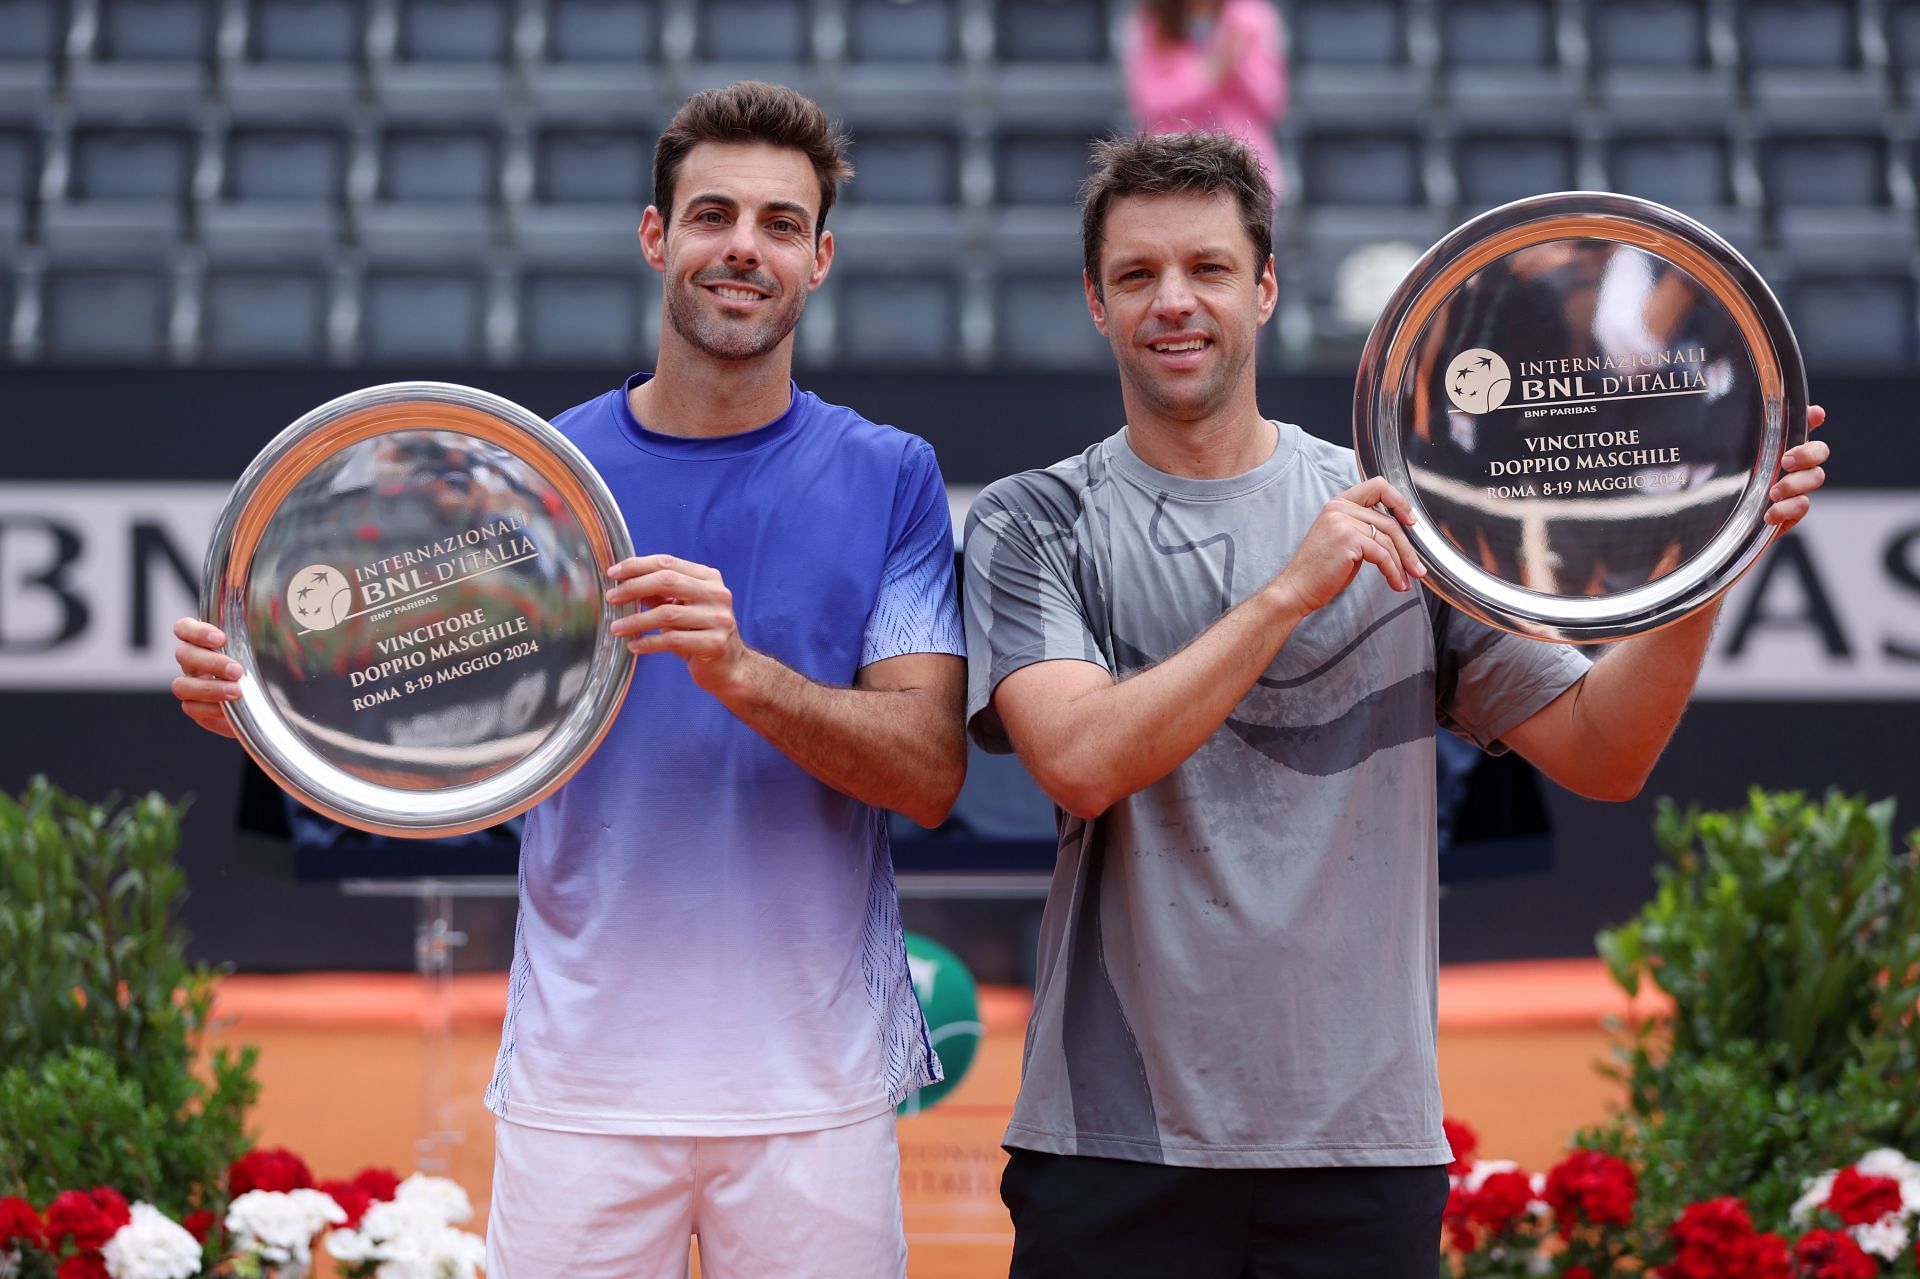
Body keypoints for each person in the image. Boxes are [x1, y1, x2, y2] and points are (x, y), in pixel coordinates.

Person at [959, 130, 1829, 1277]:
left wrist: (1711, 556)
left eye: (1209, 269)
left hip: (1360, 1153)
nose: (1175, 301)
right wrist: (1287, 594)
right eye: (1137, 275)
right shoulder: (1034, 522)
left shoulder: (1412, 516)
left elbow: (1601, 750)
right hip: (1115, 1148)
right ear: (1095, 300)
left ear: (1264, 288)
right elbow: (1076, 761)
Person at [171, 81, 968, 1279]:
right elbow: (417, 738)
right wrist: (268, 708)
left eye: (779, 223)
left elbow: (929, 772)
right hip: (581, 1088)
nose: (742, 246)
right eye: (711, 215)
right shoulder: (530, 483)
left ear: (821, 258)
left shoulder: (894, 477)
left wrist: (741, 672)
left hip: (819, 1093)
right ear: (657, 238)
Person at [1123, 0, 1288, 200]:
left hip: (1244, 167)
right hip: (1172, 168)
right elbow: (1149, 100)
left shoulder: (1252, 17)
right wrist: (1209, 75)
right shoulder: (1153, 22)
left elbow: (1271, 100)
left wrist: (1239, 63)